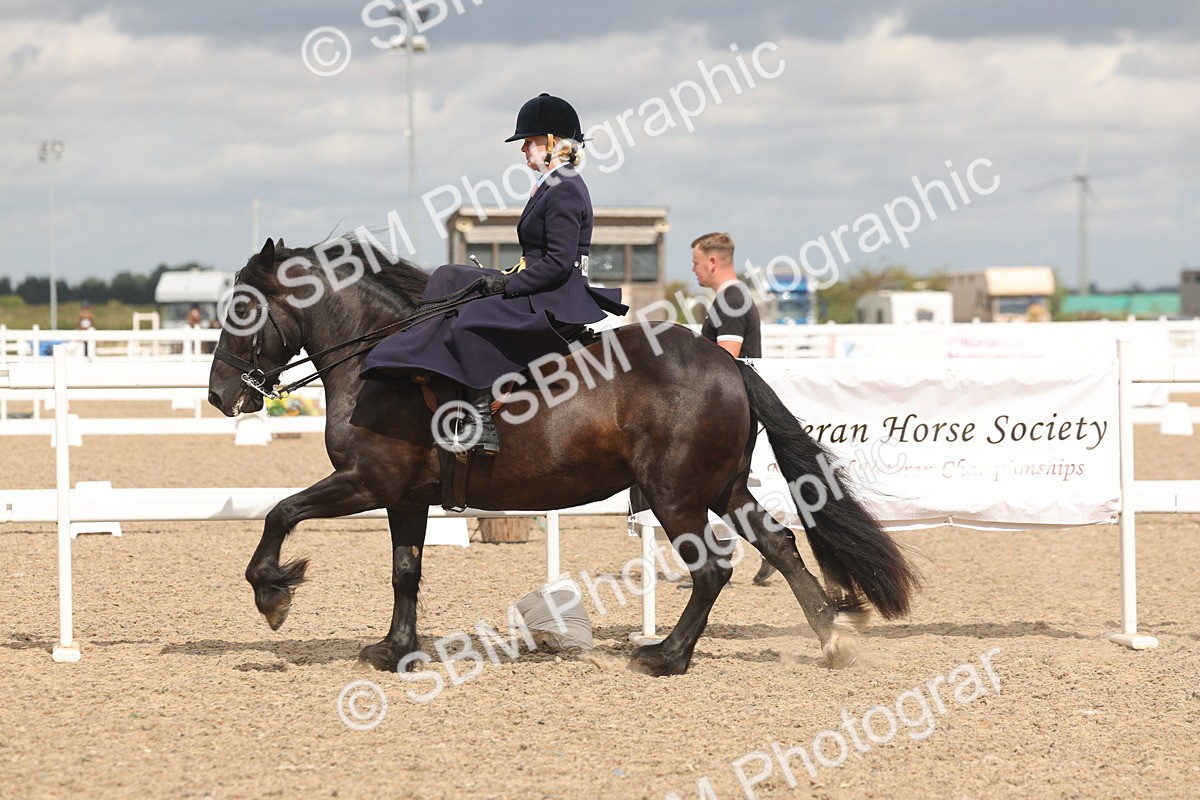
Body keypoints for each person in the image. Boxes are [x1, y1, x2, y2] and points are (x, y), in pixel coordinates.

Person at [364, 93, 627, 454]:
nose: (524, 151)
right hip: (540, 282)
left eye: (529, 143)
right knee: (448, 276)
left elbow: (558, 263)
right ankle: (413, 356)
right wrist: (507, 276)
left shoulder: (564, 188)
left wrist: (508, 283)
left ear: (552, 143)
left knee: (469, 319)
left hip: (556, 295)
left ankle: (480, 421)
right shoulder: (553, 184)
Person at [691, 232, 762, 358]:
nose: (693, 269)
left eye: (696, 263)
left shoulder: (731, 302)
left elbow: (726, 366)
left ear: (712, 262)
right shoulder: (731, 298)